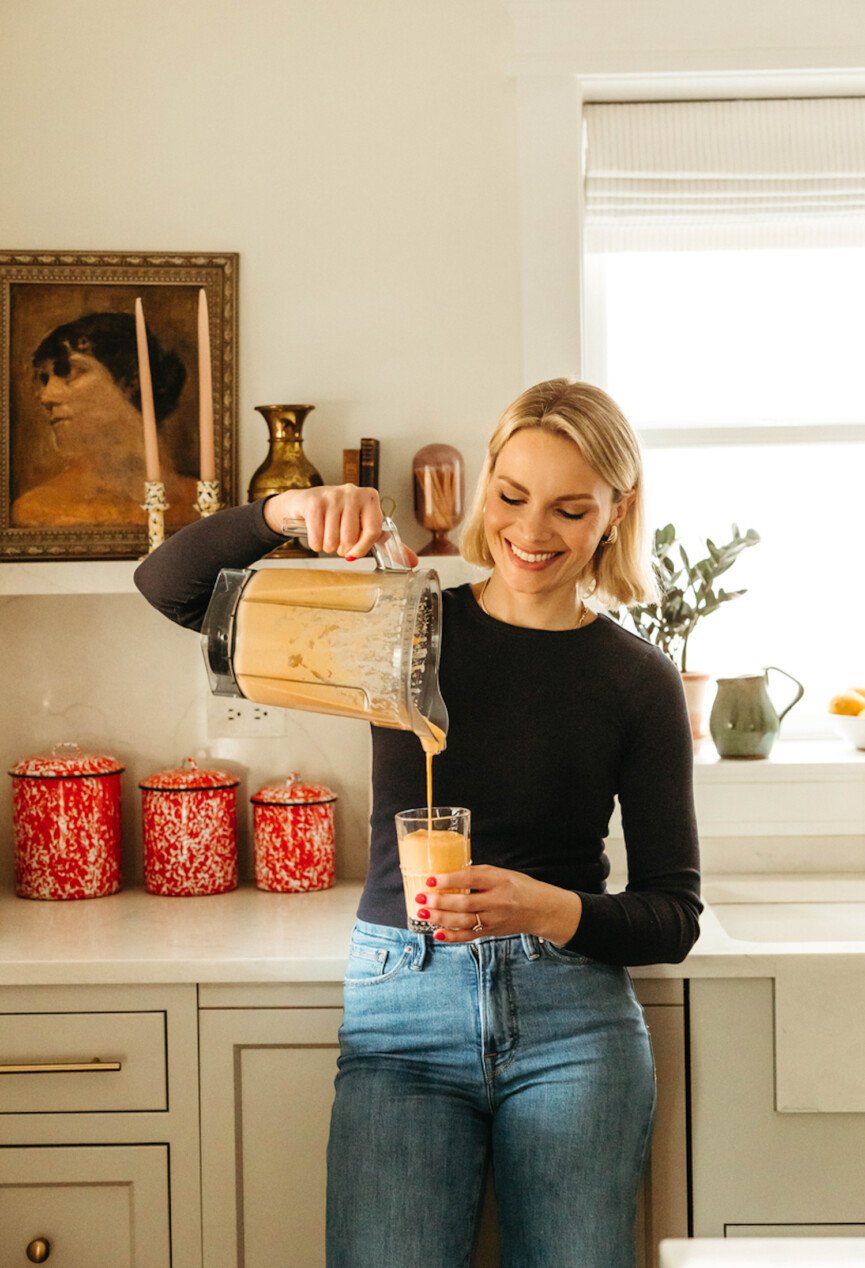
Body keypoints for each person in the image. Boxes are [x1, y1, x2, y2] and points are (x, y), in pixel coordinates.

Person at [134, 378, 701, 1268]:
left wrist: (543, 908)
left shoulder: (635, 679)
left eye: (569, 508)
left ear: (615, 515)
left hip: (574, 1025)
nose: (531, 530)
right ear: (485, 486)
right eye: (511, 496)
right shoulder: (402, 625)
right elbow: (166, 586)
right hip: (403, 1009)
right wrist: (290, 509)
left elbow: (673, 915)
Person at [12, 311, 195, 529]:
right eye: (45, 379)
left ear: (130, 381)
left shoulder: (196, 501)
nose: (46, 397)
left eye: (69, 372)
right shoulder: (35, 508)